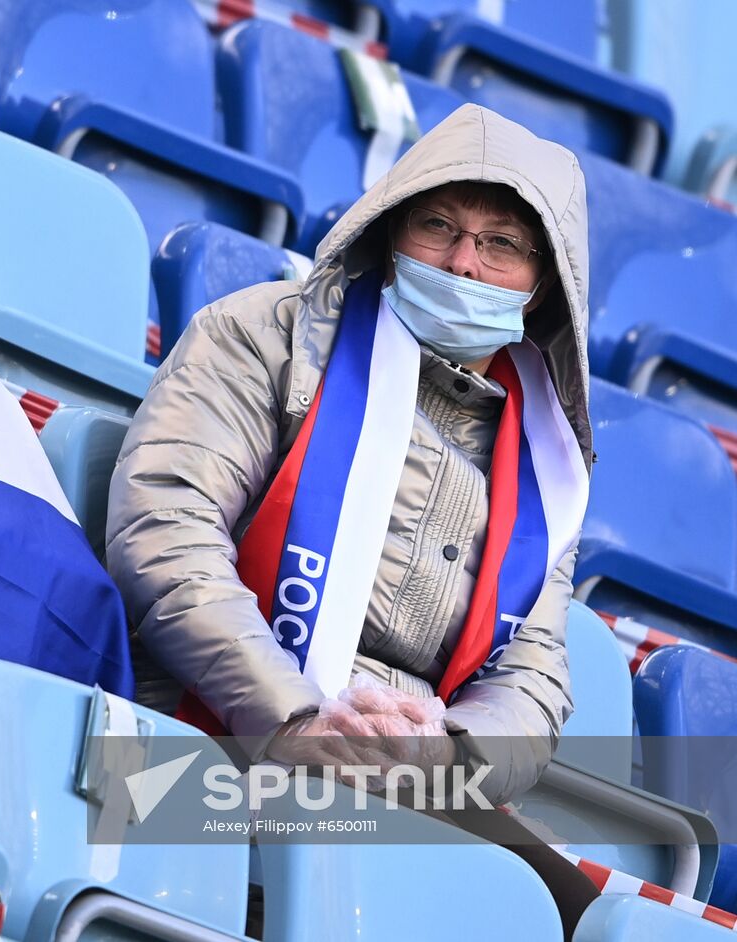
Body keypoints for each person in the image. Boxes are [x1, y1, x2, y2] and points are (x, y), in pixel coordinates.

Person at [105, 105, 598, 934]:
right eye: (437, 225)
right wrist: (295, 719)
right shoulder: (264, 336)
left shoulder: (547, 457)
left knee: (586, 919)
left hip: (412, 785)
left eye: (502, 243)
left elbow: (534, 679)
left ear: (544, 282)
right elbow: (166, 528)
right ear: (390, 229)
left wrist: (442, 754)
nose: (463, 261)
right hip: (215, 728)